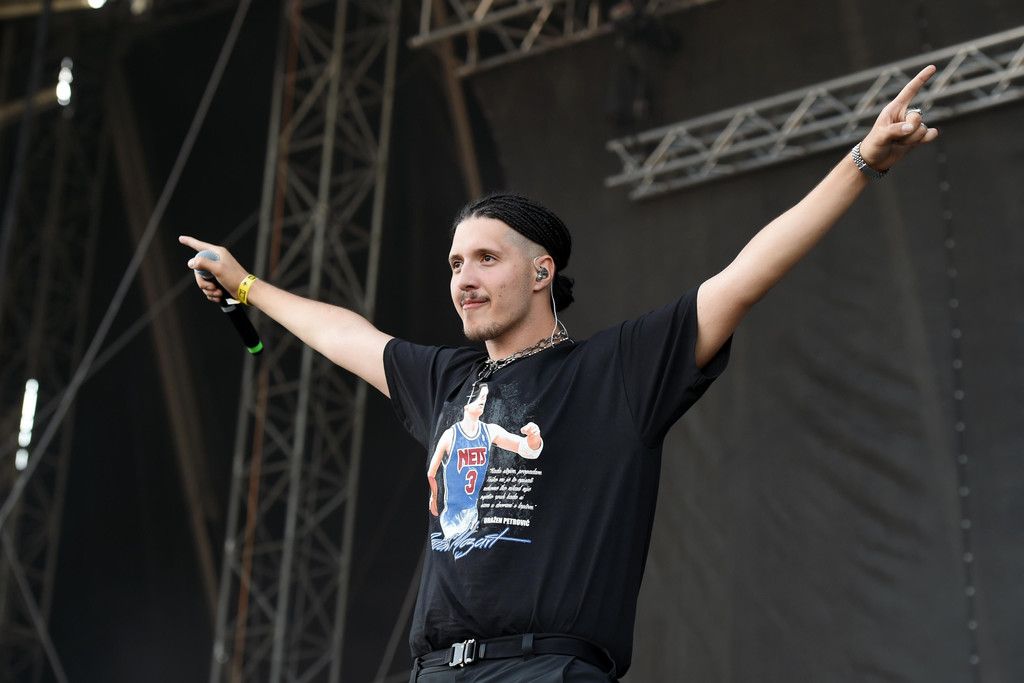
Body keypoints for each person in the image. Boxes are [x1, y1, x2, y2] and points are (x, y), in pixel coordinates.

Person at [180, 66, 940, 681]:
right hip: (436, 670)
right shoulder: (446, 381)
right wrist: (246, 284)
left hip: (547, 667)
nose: (464, 278)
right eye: (455, 263)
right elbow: (345, 333)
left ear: (542, 271)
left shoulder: (617, 370)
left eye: (486, 258)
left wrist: (862, 162)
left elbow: (744, 277)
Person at [427, 383, 544, 540]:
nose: (483, 400)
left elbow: (526, 449)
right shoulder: (450, 435)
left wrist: (533, 438)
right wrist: (434, 497)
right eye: (479, 397)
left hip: (472, 512)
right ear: (466, 402)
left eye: (484, 397)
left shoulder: (489, 431)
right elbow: (431, 473)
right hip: (452, 517)